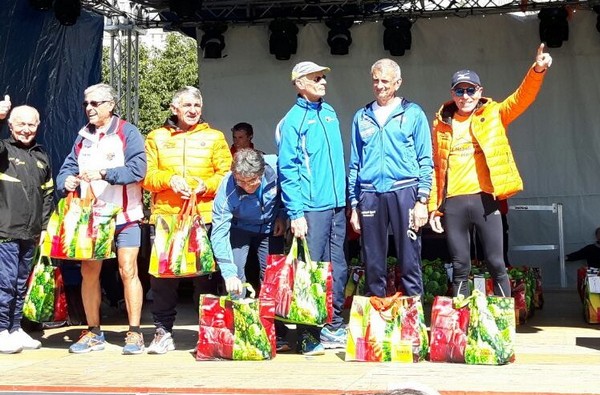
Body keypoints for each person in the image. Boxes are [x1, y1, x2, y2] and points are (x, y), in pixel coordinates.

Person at [428, 44, 553, 297]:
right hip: (453, 203)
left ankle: (504, 326)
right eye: (460, 90)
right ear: (452, 93)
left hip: (486, 199)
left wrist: (537, 69)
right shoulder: (441, 124)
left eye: (470, 90)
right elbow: (435, 167)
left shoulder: (494, 113)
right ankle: (461, 327)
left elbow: (522, 97)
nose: (465, 96)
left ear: (479, 91)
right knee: (460, 266)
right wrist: (433, 207)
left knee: (497, 264)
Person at [56, 83, 147, 354]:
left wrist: (104, 173)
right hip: (92, 219)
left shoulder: (127, 132)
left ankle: (135, 333)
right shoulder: (82, 136)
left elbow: (138, 169)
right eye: (86, 104)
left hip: (125, 215)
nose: (89, 109)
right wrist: (67, 181)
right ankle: (94, 331)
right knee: (89, 272)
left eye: (95, 104)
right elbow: (66, 169)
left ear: (111, 105)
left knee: (127, 269)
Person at [142, 86, 232, 355]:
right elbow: (146, 176)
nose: (192, 110)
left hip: (203, 216)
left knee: (204, 279)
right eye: (187, 106)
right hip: (166, 219)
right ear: (174, 109)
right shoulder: (156, 137)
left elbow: (226, 175)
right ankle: (162, 331)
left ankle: (207, 332)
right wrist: (169, 180)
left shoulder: (214, 137)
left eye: (197, 106)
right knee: (163, 280)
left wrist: (205, 185)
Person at [276, 61, 348, 355]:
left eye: (323, 77)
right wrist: (295, 213)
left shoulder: (329, 113)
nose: (323, 81)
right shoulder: (293, 121)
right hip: (311, 208)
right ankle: (308, 335)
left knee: (338, 268)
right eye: (316, 78)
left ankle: (334, 325)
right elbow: (288, 170)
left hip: (336, 205)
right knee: (311, 272)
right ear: (300, 83)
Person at [347, 58, 433, 298]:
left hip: (405, 190)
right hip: (370, 193)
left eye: (385, 81)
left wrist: (422, 200)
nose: (380, 86)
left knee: (410, 259)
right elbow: (354, 163)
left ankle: (413, 321)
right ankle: (377, 320)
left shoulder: (413, 113)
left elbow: (426, 159)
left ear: (398, 82)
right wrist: (354, 205)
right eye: (375, 80)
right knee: (373, 261)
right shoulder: (361, 117)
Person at [210, 148, 290, 350]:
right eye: (241, 181)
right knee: (236, 275)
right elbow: (219, 232)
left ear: (261, 174)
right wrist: (228, 273)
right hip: (239, 228)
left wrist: (282, 214)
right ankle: (242, 329)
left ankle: (275, 330)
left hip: (271, 227)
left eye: (251, 181)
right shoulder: (227, 187)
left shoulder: (277, 167)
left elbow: (289, 191)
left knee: (272, 277)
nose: (246, 186)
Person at [0, 104, 54, 354]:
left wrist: (44, 227)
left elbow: (48, 195)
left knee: (22, 283)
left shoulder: (41, 156)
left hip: (31, 233)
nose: (26, 129)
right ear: (11, 126)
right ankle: (1, 330)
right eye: (20, 124)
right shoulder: (3, 150)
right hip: (5, 230)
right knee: (6, 282)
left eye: (31, 124)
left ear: (38, 125)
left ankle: (14, 328)